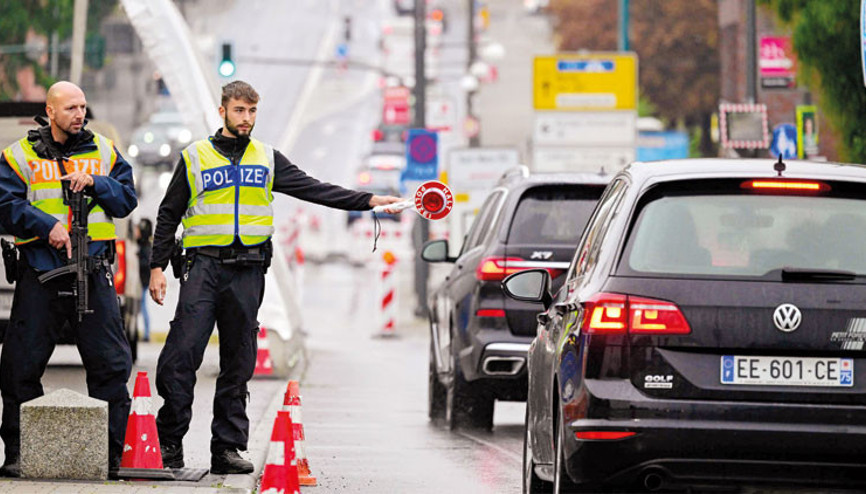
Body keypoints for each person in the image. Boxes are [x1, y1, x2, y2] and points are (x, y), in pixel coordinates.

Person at [148, 80, 402, 474]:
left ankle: (227, 449)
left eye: (251, 112)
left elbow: (314, 189)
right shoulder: (195, 157)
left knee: (239, 361)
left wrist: (367, 200)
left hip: (247, 272)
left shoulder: (267, 158)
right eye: (239, 111)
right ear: (223, 112)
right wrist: (156, 267)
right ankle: (169, 444)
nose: (246, 119)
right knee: (181, 356)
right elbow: (169, 214)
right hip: (202, 269)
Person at [0, 81, 137, 476]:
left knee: (111, 366)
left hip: (92, 273)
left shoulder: (103, 151)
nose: (80, 114)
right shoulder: (19, 155)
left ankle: (112, 456)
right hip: (41, 273)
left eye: (83, 106)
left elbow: (127, 200)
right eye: (72, 108)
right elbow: (4, 206)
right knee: (19, 367)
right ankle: (19, 454)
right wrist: (47, 227)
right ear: (51, 110)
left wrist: (97, 182)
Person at [136, 218, 153, 341]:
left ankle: (147, 334)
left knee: (142, 306)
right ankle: (145, 333)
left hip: (142, 280)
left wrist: (135, 259)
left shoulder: (145, 246)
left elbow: (145, 263)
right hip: (143, 279)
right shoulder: (143, 244)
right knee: (142, 306)